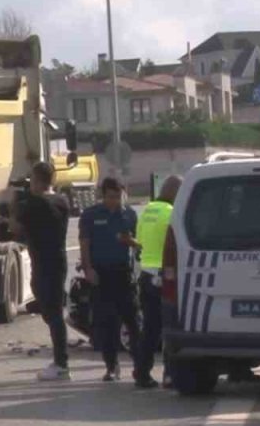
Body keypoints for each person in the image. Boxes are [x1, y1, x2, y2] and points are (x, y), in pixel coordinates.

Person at [80, 177, 157, 389]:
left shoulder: (129, 215)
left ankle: (139, 366)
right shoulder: (91, 215)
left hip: (123, 274)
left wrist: (130, 242)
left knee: (133, 321)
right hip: (100, 274)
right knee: (107, 323)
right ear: (103, 195)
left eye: (118, 196)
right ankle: (111, 366)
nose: (115, 201)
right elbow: (85, 244)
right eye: (111, 197)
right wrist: (88, 269)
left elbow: (139, 244)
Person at [13, 161, 72, 382]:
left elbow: (16, 229)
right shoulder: (62, 201)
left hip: (45, 264)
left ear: (37, 180)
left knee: (54, 315)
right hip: (57, 260)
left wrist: (16, 204)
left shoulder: (35, 205)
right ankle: (60, 361)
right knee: (53, 312)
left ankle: (61, 364)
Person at [136, 175, 182, 388]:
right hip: (165, 277)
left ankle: (142, 372)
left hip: (146, 274)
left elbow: (140, 241)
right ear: (174, 193)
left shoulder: (147, 210)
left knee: (150, 329)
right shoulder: (172, 213)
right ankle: (170, 374)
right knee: (170, 327)